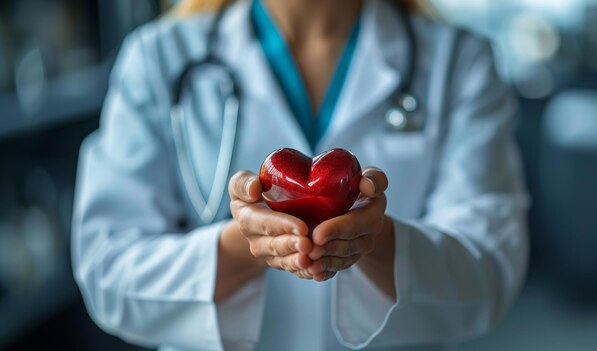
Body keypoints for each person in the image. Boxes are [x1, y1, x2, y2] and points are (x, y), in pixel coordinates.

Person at [72, 0, 529, 350]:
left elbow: (492, 272)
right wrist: (241, 247)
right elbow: (105, 270)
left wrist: (380, 243)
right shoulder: (157, 58)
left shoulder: (460, 61)